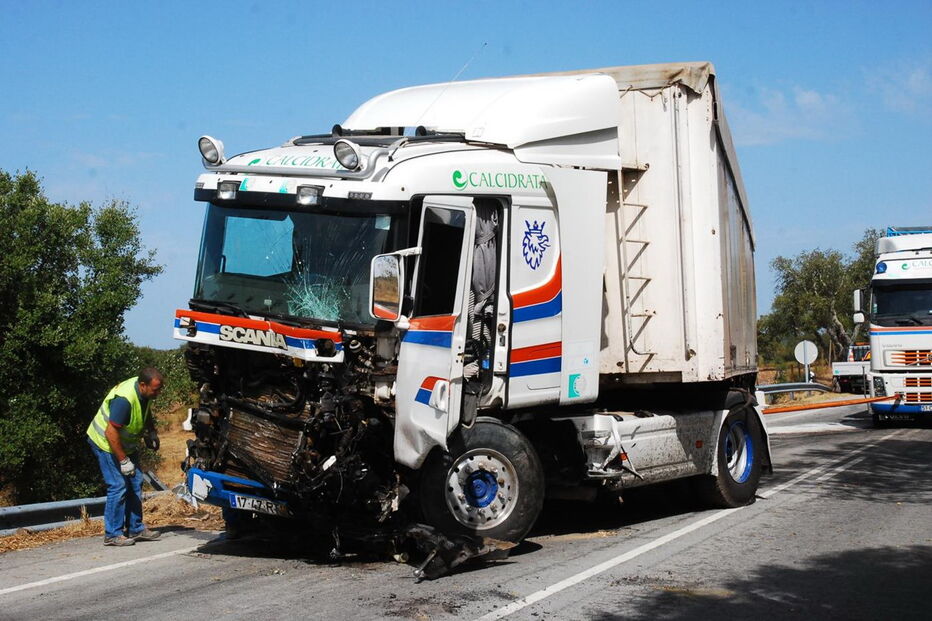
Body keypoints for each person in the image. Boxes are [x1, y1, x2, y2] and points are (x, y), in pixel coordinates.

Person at [86, 367, 164, 546]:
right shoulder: (124, 400)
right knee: (118, 485)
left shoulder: (146, 393)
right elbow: (110, 433)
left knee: (135, 482)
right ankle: (112, 534)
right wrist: (123, 461)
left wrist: (151, 432)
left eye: (160, 389)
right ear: (143, 385)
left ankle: (135, 528)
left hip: (125, 445)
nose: (158, 393)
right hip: (105, 443)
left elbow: (145, 410)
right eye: (155, 390)